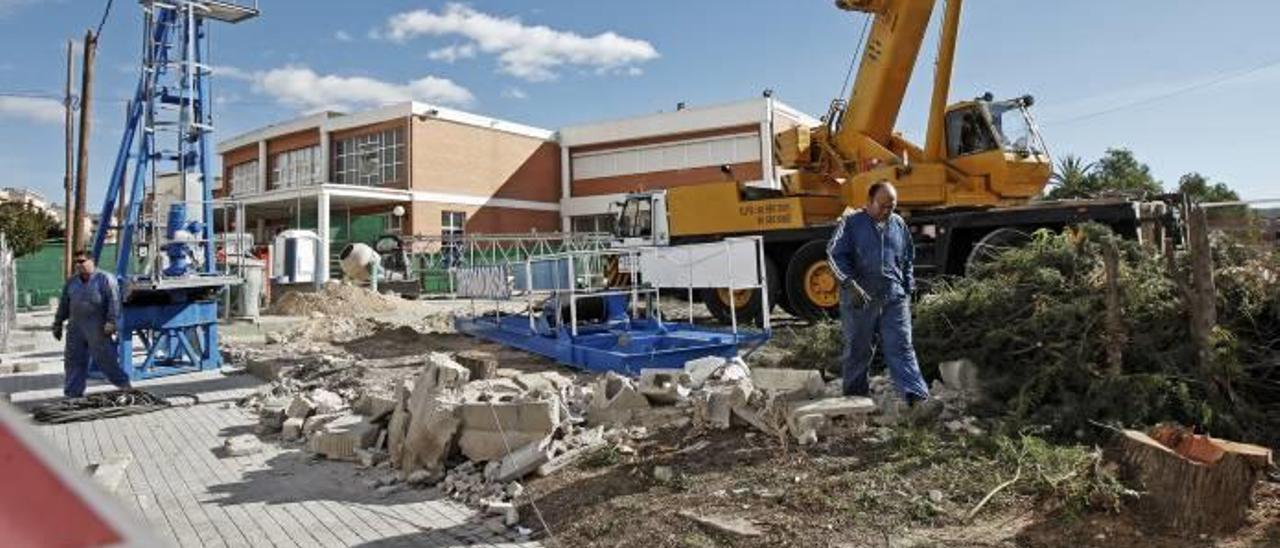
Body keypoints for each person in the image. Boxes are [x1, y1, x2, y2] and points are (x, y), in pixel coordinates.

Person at [826, 181, 940, 419]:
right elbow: (834, 255)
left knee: (901, 347)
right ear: (869, 202)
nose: (888, 211)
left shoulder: (898, 225)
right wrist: (849, 284)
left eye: (892, 206)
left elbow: (908, 258)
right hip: (860, 297)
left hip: (893, 297)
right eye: (883, 206)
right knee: (858, 348)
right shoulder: (851, 224)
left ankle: (917, 399)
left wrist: (908, 290)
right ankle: (855, 402)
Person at [52, 250, 131, 398]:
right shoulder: (72, 282)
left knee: (105, 359)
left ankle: (124, 385)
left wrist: (112, 322)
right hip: (76, 327)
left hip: (98, 327)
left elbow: (114, 302)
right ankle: (73, 394)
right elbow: (64, 304)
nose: (78, 265)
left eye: (82, 261)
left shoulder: (105, 279)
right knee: (73, 360)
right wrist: (57, 323)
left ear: (91, 261)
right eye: (76, 262)